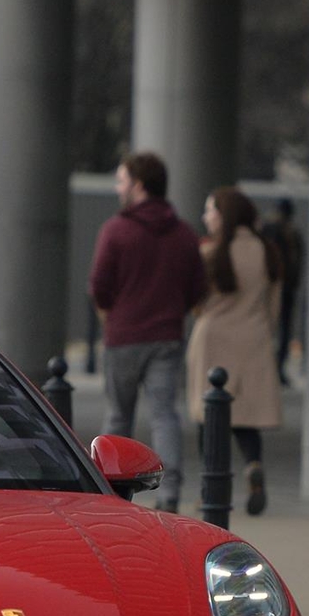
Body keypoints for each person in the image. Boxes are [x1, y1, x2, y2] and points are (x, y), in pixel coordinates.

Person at [86, 150, 204, 513]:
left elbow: (99, 286)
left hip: (123, 336)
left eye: (121, 180)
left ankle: (108, 493)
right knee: (165, 414)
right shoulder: (184, 234)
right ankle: (169, 495)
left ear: (138, 185)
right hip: (166, 337)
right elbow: (197, 288)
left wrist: (113, 313)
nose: (118, 187)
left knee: (118, 417)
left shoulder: (116, 230)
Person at [186, 186, 283, 517]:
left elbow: (195, 302)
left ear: (224, 215)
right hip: (253, 337)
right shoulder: (267, 251)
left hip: (212, 337)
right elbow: (274, 308)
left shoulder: (210, 253)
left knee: (208, 416)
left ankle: (211, 488)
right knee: (246, 418)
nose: (206, 217)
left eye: (210, 210)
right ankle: (253, 466)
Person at [264, 196, 306, 386]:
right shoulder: (275, 231)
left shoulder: (289, 233)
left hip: (285, 288)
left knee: (282, 331)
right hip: (277, 287)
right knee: (274, 329)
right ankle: (273, 369)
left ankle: (277, 369)